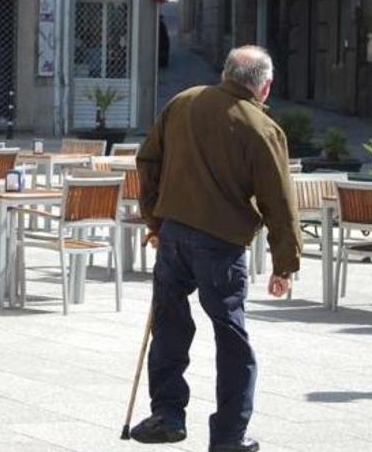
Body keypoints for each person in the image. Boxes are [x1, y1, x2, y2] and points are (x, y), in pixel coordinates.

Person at [132, 45, 303, 452]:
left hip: (174, 234)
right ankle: (228, 436)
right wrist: (285, 264)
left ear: (226, 72)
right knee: (230, 337)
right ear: (265, 86)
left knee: (170, 324)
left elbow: (147, 160)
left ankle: (167, 414)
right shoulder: (261, 128)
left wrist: (154, 220)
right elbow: (279, 200)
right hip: (221, 244)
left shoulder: (183, 103)